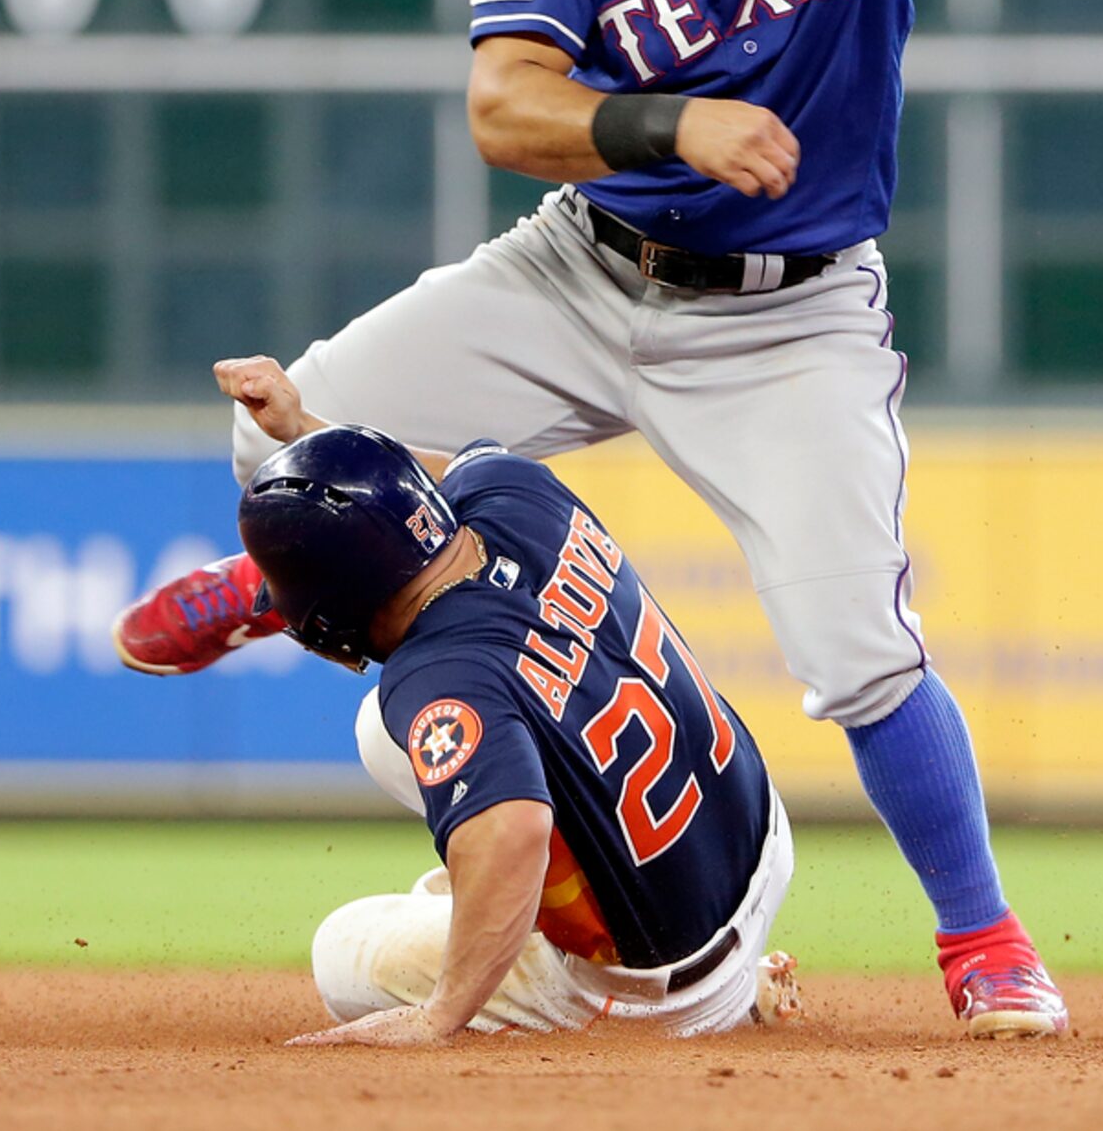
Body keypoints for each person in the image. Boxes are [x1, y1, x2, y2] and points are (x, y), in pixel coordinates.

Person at [116, 0, 1099, 1038]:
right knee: (295, 426)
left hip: (789, 315)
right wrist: (674, 128)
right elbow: (504, 106)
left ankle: (983, 937)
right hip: (590, 263)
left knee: (857, 646)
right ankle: (292, 583)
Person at [221, 354, 801, 1042]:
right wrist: (305, 430)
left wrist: (438, 1017)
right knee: (454, 783)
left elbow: (515, 830)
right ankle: (513, 912)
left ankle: (723, 1004)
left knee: (342, 948)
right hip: (757, 835)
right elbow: (432, 480)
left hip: (667, 985)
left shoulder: (437, 673)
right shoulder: (515, 491)